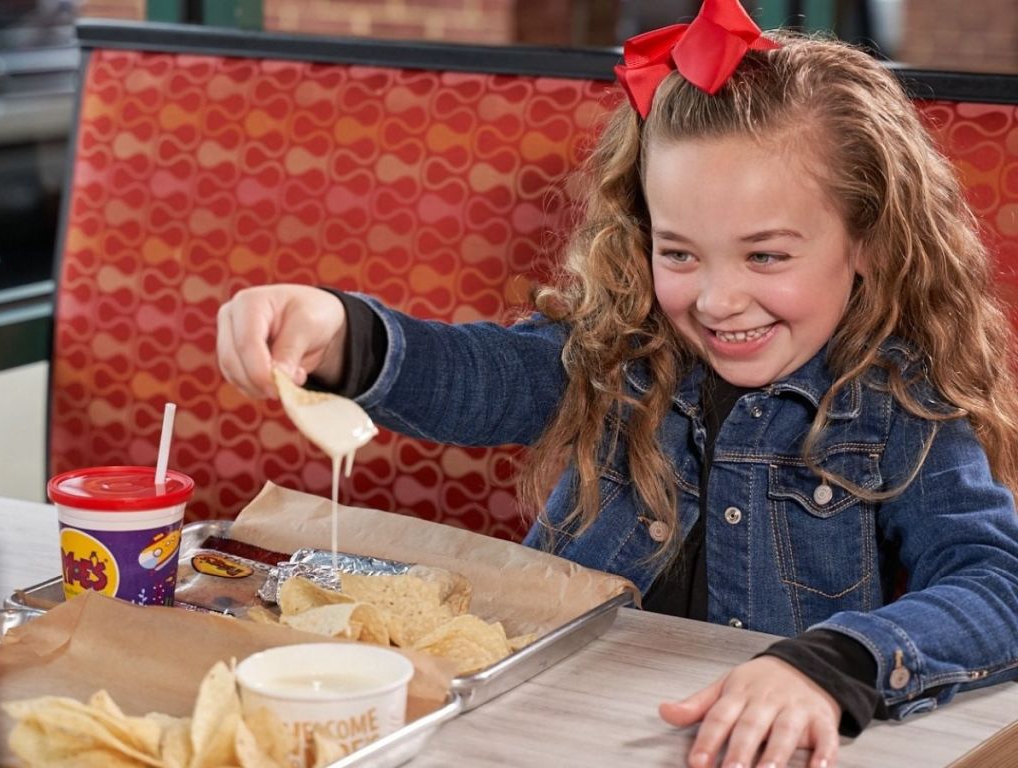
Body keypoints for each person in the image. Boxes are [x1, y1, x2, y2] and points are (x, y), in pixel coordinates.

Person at [216, 1, 1018, 766]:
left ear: (870, 241)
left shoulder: (897, 402)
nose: (716, 300)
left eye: (766, 255)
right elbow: (476, 376)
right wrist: (338, 330)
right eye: (679, 253)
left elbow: (997, 585)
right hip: (548, 725)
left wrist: (832, 666)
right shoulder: (618, 353)